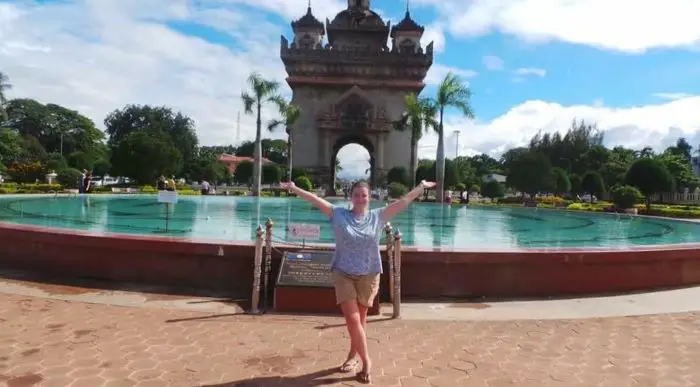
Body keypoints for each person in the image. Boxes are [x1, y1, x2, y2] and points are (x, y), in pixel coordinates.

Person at [280, 179, 436, 384]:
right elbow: (315, 200)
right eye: (356, 195)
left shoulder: (378, 216)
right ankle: (366, 362)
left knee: (360, 321)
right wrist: (294, 188)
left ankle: (352, 357)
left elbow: (403, 202)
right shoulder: (338, 214)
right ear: (350, 197)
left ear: (369, 197)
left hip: (369, 274)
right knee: (353, 320)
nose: (360, 198)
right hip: (343, 273)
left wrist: (420, 187)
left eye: (364, 195)